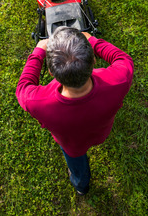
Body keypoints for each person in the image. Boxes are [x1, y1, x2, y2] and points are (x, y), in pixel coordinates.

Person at [16, 27, 134, 195]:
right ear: (93, 60)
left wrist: (38, 52)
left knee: (76, 162)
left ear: (51, 72)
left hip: (72, 145)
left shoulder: (38, 102)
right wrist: (93, 41)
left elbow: (23, 87)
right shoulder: (118, 81)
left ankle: (81, 185)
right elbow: (123, 59)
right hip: (101, 133)